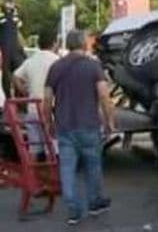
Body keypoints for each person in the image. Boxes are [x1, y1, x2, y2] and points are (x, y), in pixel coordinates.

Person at [43, 29, 116, 225]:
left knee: (67, 169)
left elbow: (47, 99)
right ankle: (94, 203)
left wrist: (48, 123)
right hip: (89, 125)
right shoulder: (93, 66)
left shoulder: (56, 67)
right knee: (93, 166)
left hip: (64, 127)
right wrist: (110, 120)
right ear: (84, 44)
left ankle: (74, 210)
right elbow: (104, 96)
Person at [13, 29, 59, 160]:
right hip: (50, 110)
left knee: (34, 148)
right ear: (55, 42)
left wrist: (25, 91)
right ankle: (52, 178)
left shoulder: (31, 60)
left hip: (32, 109)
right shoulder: (57, 61)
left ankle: (33, 177)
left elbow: (16, 76)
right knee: (52, 148)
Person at [0, 0, 26, 98]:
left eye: (13, 0)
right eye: (9, 0)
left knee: (20, 74)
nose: (11, 2)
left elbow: (19, 30)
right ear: (4, 0)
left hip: (16, 49)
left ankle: (21, 104)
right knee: (6, 77)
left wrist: (22, 47)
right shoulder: (1, 12)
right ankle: (8, 102)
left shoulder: (16, 14)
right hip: (4, 48)